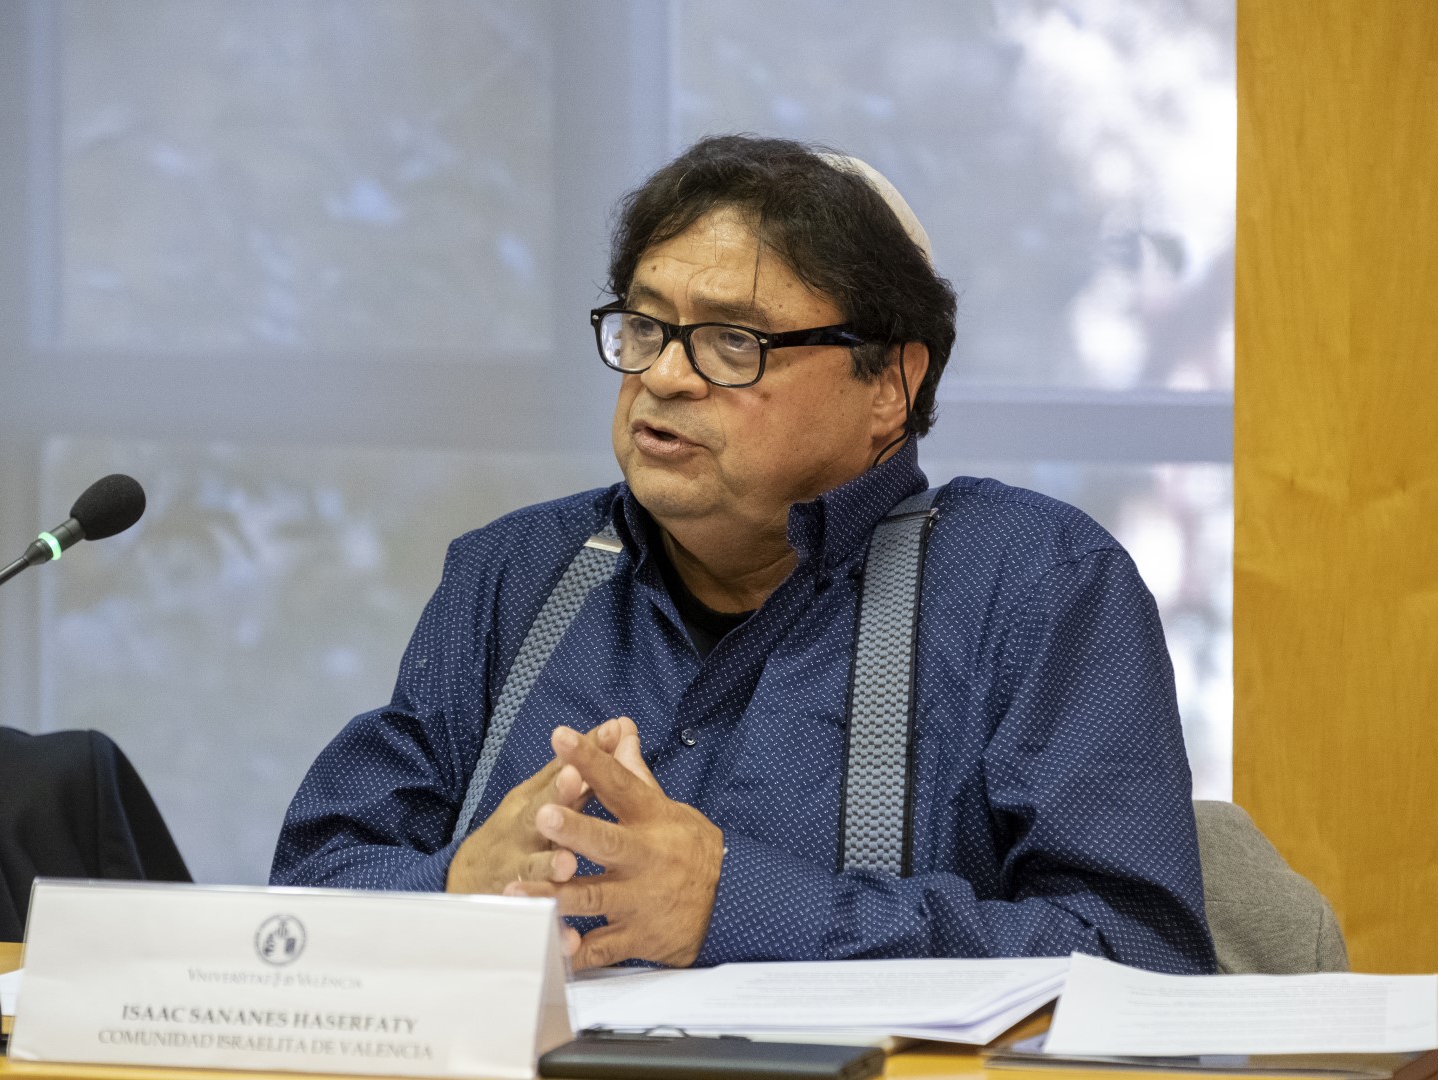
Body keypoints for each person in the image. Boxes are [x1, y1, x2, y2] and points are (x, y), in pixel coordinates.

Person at [271, 135, 1216, 975]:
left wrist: (737, 907)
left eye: (732, 341)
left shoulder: (1036, 588)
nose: (663, 374)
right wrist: (455, 889)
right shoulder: (512, 576)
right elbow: (302, 900)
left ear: (890, 383)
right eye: (646, 326)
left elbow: (1138, 957)